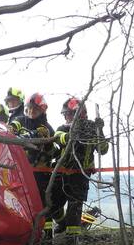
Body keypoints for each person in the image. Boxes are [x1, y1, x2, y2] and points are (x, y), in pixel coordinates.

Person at [51, 97, 109, 236]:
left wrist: (100, 131)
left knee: (74, 209)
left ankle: (72, 244)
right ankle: (62, 223)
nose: (66, 117)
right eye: (65, 114)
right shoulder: (62, 128)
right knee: (53, 204)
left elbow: (103, 149)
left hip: (80, 175)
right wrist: (71, 135)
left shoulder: (91, 129)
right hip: (62, 173)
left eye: (69, 114)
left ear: (79, 113)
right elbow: (59, 137)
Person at [10, 93, 57, 232]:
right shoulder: (20, 120)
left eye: (34, 110)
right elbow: (11, 128)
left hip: (40, 175)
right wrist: (10, 130)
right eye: (28, 109)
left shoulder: (46, 128)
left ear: (42, 111)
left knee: (42, 203)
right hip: (20, 173)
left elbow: (30, 139)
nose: (30, 112)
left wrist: (18, 137)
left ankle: (47, 236)